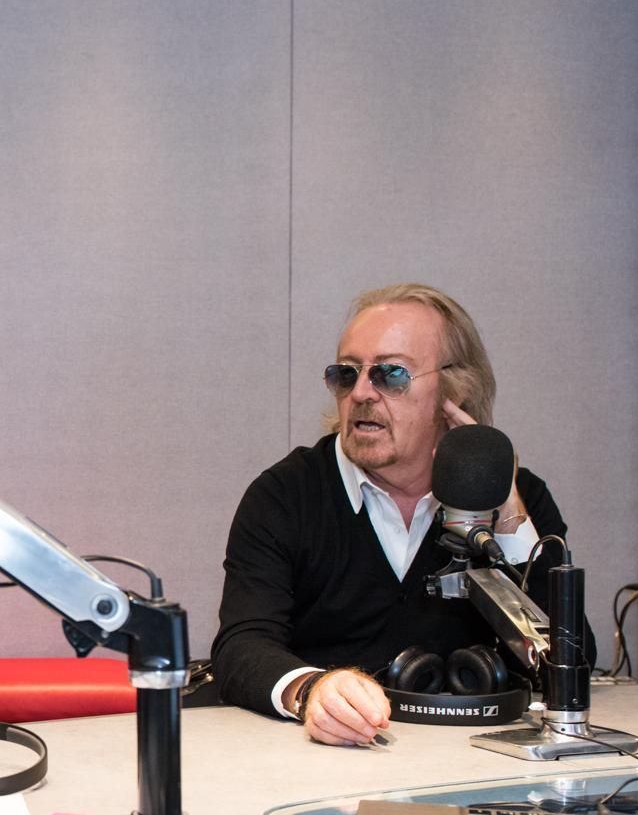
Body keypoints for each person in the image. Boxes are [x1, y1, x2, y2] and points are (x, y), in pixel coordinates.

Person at [211, 283, 578, 747]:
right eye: (347, 374)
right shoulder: (286, 495)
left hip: (470, 761)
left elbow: (572, 660)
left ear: (455, 392)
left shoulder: (518, 498)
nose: (362, 392)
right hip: (326, 759)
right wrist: (310, 690)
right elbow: (240, 646)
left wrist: (505, 514)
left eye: (391, 374)